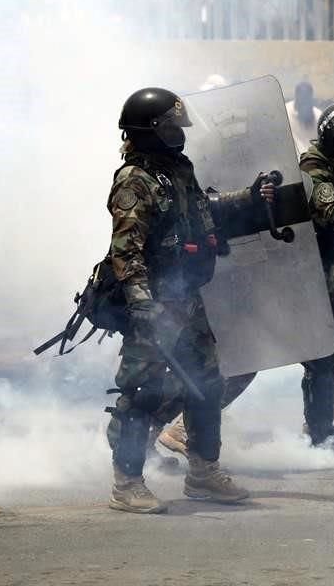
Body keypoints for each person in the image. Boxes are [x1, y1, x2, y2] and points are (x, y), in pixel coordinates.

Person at [157, 102, 334, 450]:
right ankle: (180, 426)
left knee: (326, 354)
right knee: (247, 356)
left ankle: (320, 429)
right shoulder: (314, 167)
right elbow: (327, 215)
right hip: (291, 276)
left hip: (316, 279)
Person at [106, 87, 251, 513]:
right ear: (150, 130)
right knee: (142, 391)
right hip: (154, 302)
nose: (179, 133)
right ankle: (127, 483)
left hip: (186, 297)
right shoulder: (135, 181)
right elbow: (126, 252)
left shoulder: (178, 170)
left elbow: (203, 213)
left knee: (208, 383)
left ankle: (203, 473)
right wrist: (142, 305)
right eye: (171, 126)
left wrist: (248, 198)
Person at [287, 80, 323, 151]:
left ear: (311, 98)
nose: (304, 103)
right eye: (302, 98)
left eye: (306, 98)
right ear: (296, 97)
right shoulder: (286, 113)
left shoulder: (319, 116)